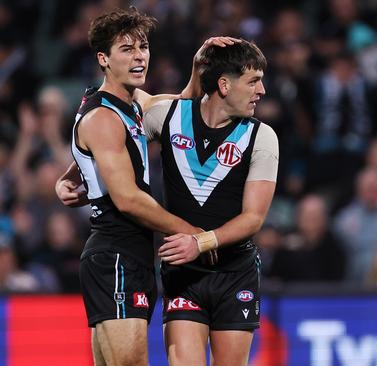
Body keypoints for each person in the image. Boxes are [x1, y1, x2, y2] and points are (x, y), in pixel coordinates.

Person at [54, 7, 239, 366]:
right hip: (115, 254)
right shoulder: (104, 117)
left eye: (143, 47)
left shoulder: (130, 103)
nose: (140, 56)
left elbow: (174, 107)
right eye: (127, 49)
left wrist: (199, 68)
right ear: (103, 58)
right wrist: (194, 233)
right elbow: (127, 200)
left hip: (131, 253)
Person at [141, 40, 278, 365]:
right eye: (253, 80)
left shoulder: (261, 137)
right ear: (224, 84)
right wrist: (77, 171)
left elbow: (253, 218)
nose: (262, 90)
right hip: (184, 275)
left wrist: (200, 241)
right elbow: (114, 138)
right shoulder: (167, 116)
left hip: (236, 273)